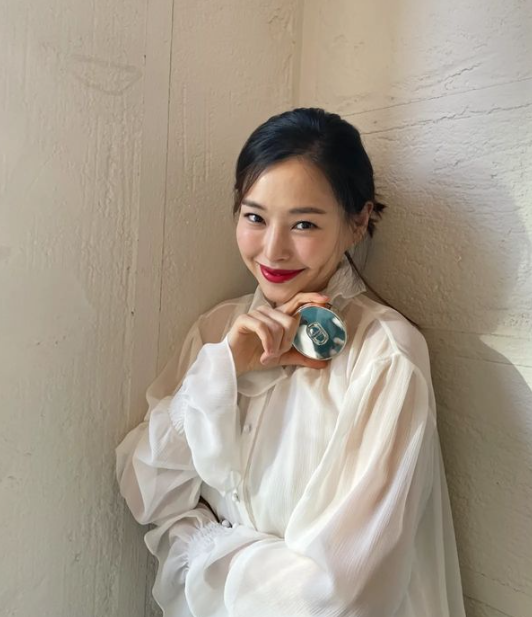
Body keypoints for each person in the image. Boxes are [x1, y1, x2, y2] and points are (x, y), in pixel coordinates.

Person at [115, 107, 466, 617]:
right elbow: (144, 493)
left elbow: (340, 595)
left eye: (303, 223)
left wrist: (206, 545)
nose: (273, 250)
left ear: (358, 222)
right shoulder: (218, 331)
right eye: (255, 217)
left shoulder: (386, 355)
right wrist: (224, 370)